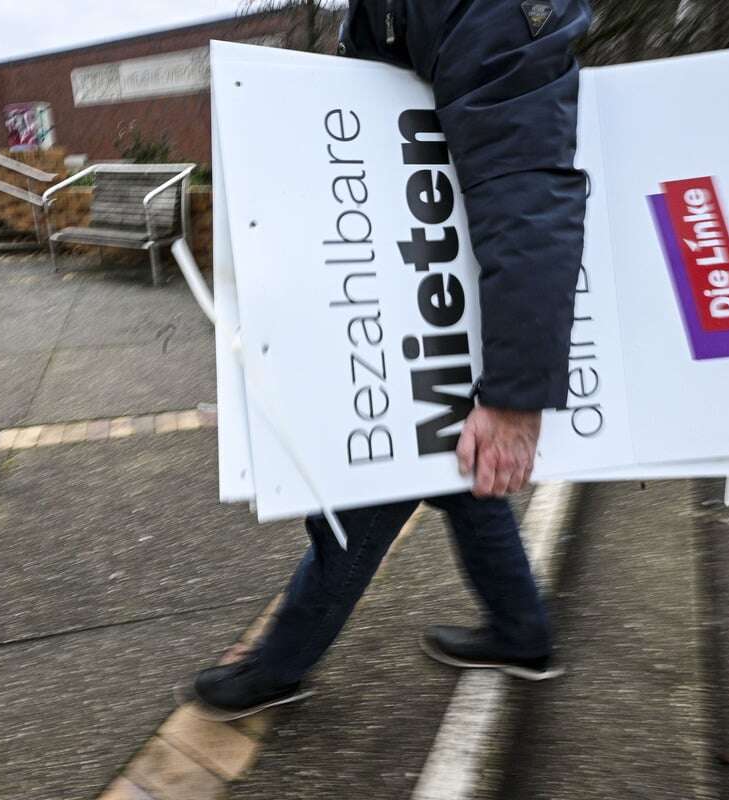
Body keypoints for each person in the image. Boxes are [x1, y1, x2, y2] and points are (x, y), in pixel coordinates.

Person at [181, 0, 593, 721]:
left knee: (373, 486)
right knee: (459, 470)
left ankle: (280, 665)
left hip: (447, 302)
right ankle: (522, 631)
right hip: (439, 292)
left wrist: (514, 397)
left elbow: (525, 192)